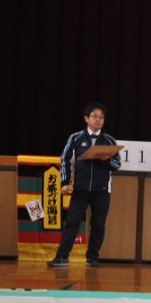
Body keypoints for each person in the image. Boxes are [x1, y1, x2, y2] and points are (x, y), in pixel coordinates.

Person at [47, 103, 122, 268]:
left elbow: (117, 165)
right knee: (72, 222)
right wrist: (65, 183)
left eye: (101, 117)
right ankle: (62, 257)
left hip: (102, 190)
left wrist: (107, 160)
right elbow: (65, 160)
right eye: (94, 116)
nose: (98, 120)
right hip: (80, 189)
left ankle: (92, 257)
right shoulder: (75, 138)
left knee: (98, 224)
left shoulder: (109, 140)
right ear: (86, 118)